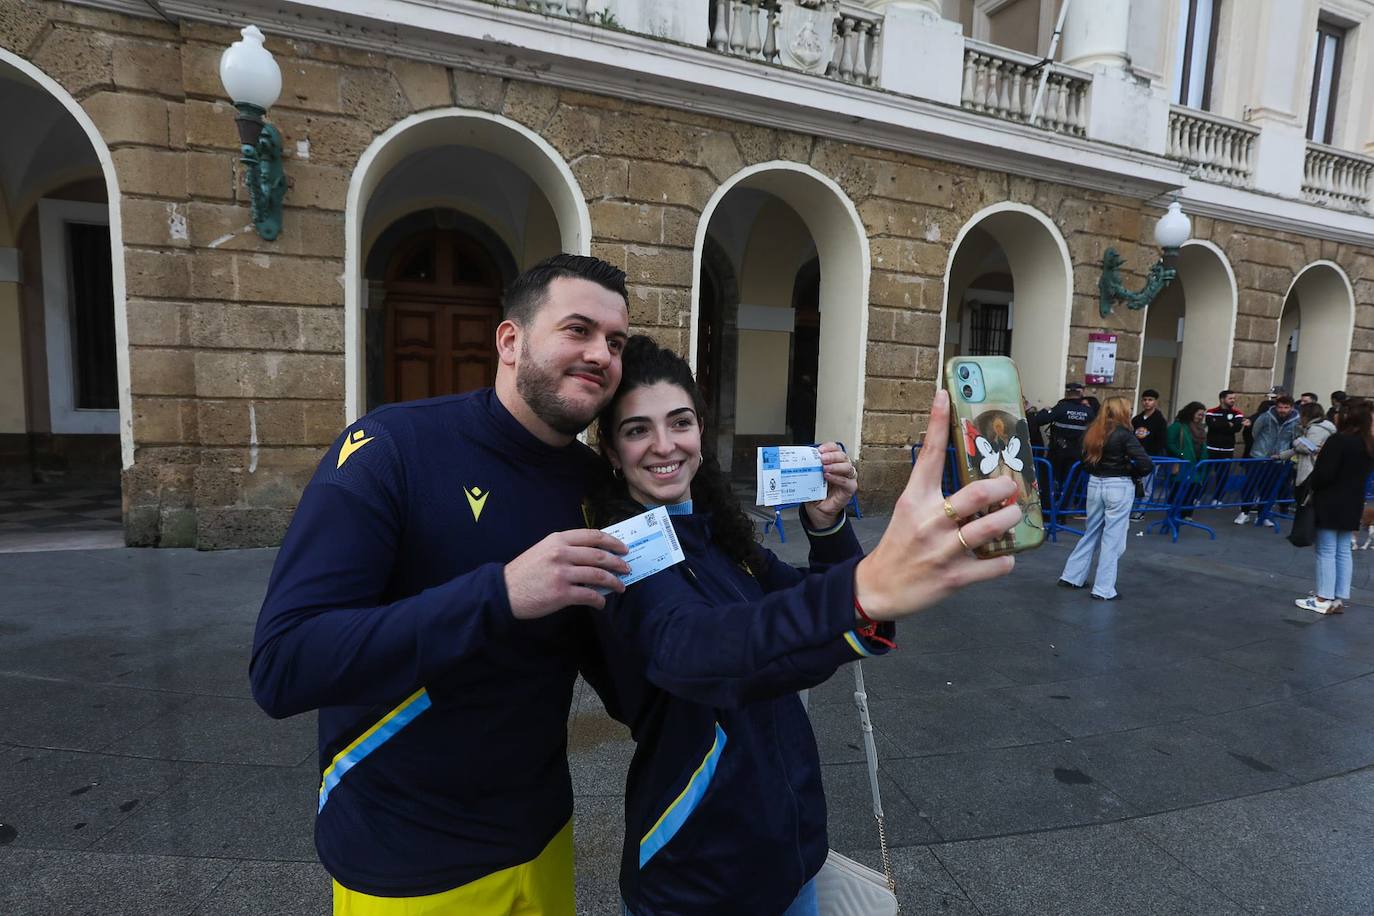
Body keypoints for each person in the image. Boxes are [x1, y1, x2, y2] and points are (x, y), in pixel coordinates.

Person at [250, 254, 637, 914]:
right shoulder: (392, 448)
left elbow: (624, 670)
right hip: (407, 862)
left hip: (542, 842)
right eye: (578, 329)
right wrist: (501, 593)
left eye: (616, 342)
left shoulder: (595, 485)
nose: (601, 354)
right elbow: (285, 664)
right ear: (510, 341)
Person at [588, 337, 1022, 915]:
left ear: (701, 433)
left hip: (791, 854)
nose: (664, 445)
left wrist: (827, 528)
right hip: (697, 880)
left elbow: (824, 621)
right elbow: (694, 650)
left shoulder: (719, 535)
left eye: (680, 422)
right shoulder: (621, 553)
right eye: (637, 429)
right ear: (613, 452)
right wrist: (862, 589)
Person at [1057, 396, 1152, 600]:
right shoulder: (1124, 433)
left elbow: (1083, 459)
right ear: (1121, 411)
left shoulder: (1093, 430)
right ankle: (1103, 588)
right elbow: (1146, 464)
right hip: (1118, 485)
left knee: (1091, 532)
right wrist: (1131, 471)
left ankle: (1072, 576)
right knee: (1112, 538)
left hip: (1095, 483)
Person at [1296, 398, 1374, 615]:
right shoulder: (1367, 443)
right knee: (1342, 551)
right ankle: (1338, 598)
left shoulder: (1338, 441)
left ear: (1347, 416)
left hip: (1331, 501)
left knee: (1326, 551)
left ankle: (1323, 598)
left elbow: (1323, 476)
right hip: (1353, 501)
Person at [1237, 394, 1297, 527]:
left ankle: (1263, 514)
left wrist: (1284, 454)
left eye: (1286, 407)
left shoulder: (1295, 421)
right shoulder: (1265, 417)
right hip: (1259, 456)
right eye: (1280, 407)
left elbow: (1295, 439)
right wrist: (1260, 447)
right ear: (1276, 407)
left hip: (1278, 458)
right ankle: (1244, 512)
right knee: (1250, 485)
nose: (1282, 410)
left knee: (1270, 488)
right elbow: (1255, 432)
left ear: (1291, 408)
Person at [1033, 382, 1094, 498]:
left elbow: (1038, 420)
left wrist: (1045, 410)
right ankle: (1063, 510)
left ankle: (1048, 508)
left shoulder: (1061, 408)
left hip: (1058, 452)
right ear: (1081, 393)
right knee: (1071, 482)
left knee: (1048, 479)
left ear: (1067, 393)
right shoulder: (1088, 411)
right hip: (1078, 453)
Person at [1277, 401, 1335, 502]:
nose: (1299, 418)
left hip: (1311, 471)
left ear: (1306, 415)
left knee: (1305, 504)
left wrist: (1297, 441)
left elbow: (1307, 448)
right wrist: (1281, 456)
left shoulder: (1316, 429)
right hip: (1313, 469)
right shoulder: (1314, 427)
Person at [1203, 389, 1249, 503]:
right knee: (1204, 473)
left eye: (1234, 398)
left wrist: (1221, 424)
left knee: (1222, 475)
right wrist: (1227, 424)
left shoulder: (1237, 413)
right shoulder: (1211, 411)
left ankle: (1218, 499)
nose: (1233, 400)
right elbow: (1211, 425)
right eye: (1230, 398)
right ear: (1222, 399)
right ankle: (1197, 497)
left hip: (1227, 449)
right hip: (1211, 448)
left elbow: (1237, 428)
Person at [1166, 401, 1207, 518]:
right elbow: (1169, 443)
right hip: (1183, 464)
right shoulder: (1178, 426)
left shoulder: (1200, 429)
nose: (1201, 417)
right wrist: (1181, 454)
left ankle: (1187, 514)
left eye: (1202, 415)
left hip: (1197, 465)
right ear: (1191, 413)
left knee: (1193, 490)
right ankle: (1173, 513)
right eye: (1199, 414)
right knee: (1178, 489)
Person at [1132, 389, 1168, 457]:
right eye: (1144, 400)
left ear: (1156, 402)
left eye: (1150, 400)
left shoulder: (1160, 420)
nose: (1147, 402)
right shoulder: (1136, 420)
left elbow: (1161, 441)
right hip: (1136, 455)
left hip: (1152, 456)